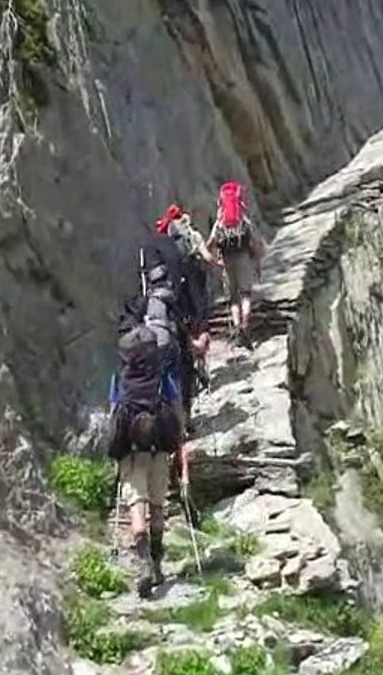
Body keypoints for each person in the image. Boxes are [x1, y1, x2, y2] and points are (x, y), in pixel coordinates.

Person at [107, 321, 188, 598]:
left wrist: (115, 453)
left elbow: (115, 414)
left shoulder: (121, 379)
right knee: (156, 506)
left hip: (131, 450)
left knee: (135, 504)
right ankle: (156, 563)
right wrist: (179, 440)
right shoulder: (163, 378)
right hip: (159, 448)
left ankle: (142, 562)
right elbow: (176, 410)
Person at [154, 204, 222, 427]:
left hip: (169, 308)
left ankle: (177, 417)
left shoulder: (160, 245)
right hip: (193, 297)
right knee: (195, 337)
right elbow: (205, 255)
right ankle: (200, 371)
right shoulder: (191, 236)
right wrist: (215, 265)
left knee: (177, 361)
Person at [206, 181, 266, 351]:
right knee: (246, 294)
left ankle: (237, 326)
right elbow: (255, 241)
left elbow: (210, 243)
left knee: (233, 298)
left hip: (226, 259)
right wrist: (257, 261)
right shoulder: (243, 219)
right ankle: (245, 326)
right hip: (243, 257)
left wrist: (214, 259)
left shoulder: (220, 222)